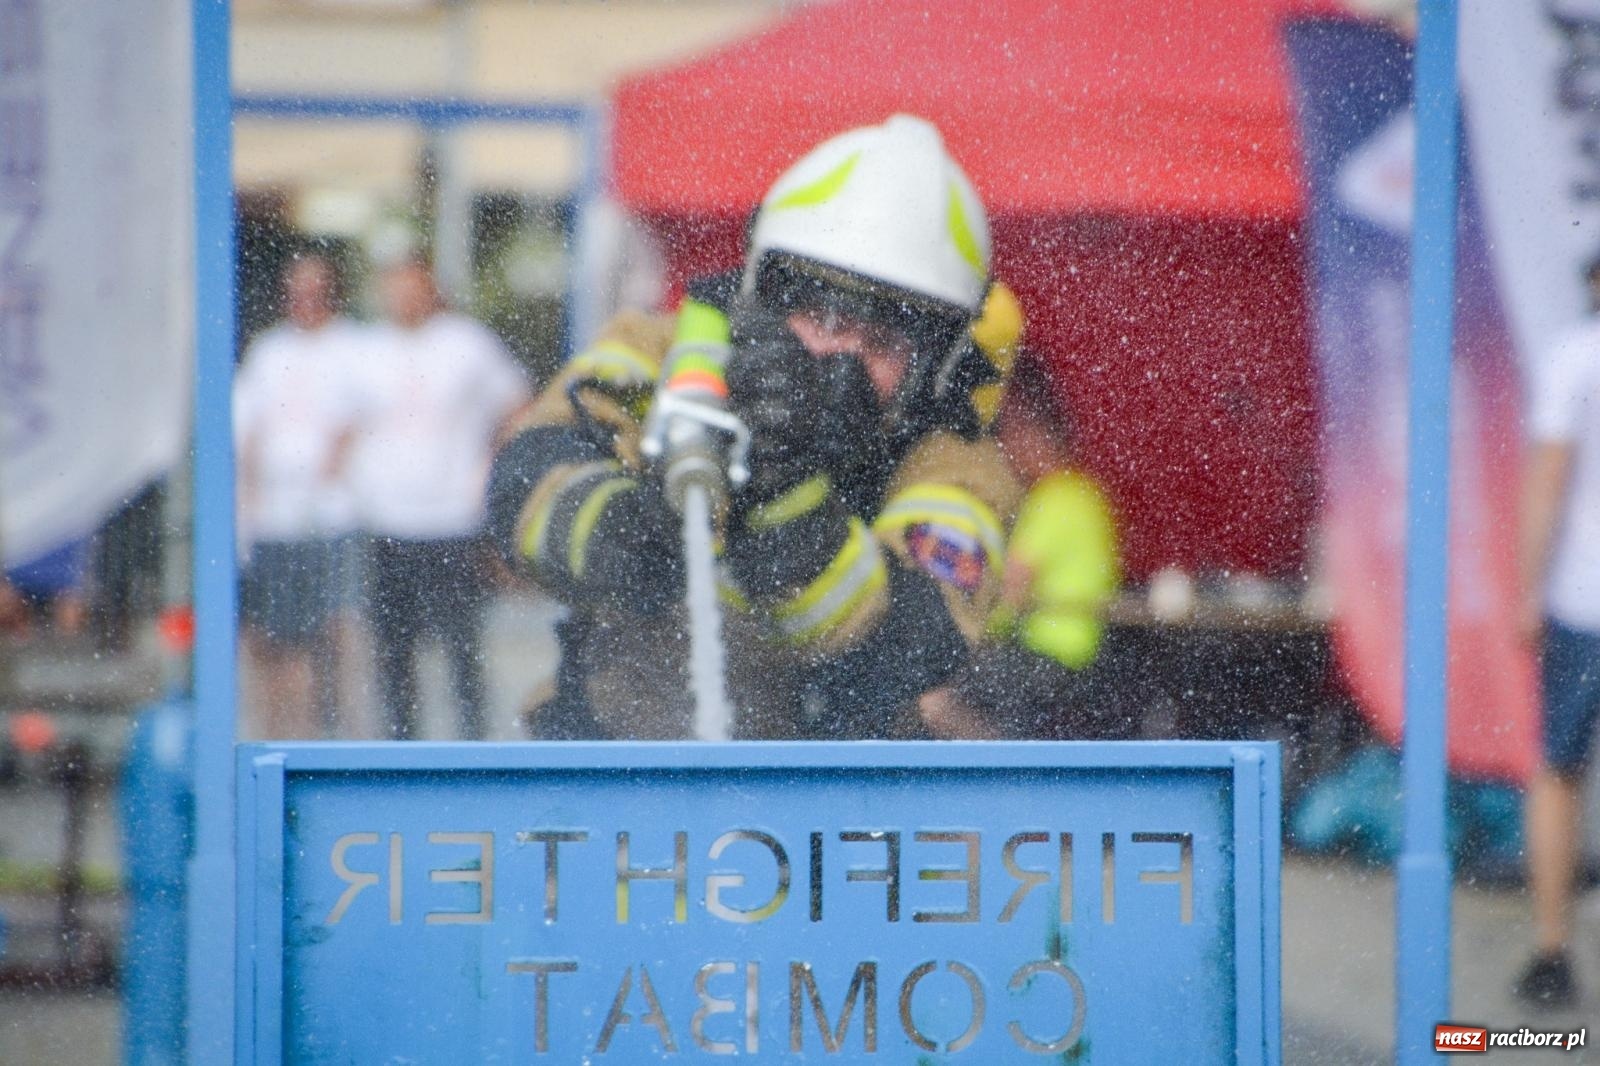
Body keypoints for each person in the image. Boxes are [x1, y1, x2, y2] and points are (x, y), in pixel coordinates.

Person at [488, 114, 1021, 740]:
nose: (834, 361)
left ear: (938, 362)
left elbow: (909, 646)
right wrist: (640, 526)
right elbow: (526, 483)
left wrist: (785, 499)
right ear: (764, 293)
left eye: (879, 342)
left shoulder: (955, 463)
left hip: (826, 805)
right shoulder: (662, 353)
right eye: (818, 318)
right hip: (608, 770)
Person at [348, 255, 530, 740]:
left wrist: (493, 473)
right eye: (394, 288)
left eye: (412, 287)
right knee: (393, 650)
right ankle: (399, 753)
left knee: (461, 647)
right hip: (387, 523)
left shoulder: (465, 344)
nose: (403, 298)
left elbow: (516, 406)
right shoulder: (366, 349)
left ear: (430, 288)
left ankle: (471, 753)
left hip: (451, 521)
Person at [919, 335, 1123, 740]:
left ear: (1026, 427)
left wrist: (970, 632)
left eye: (1004, 433)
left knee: (931, 695)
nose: (1002, 450)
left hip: (1047, 657)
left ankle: (1000, 769)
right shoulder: (1087, 496)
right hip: (1082, 660)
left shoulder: (1053, 498)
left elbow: (1011, 585)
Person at [1513, 257, 1600, 1009]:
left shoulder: (1576, 357)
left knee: (1559, 770)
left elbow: (1548, 481)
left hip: (1583, 596)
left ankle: (1551, 949)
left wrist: (1526, 592)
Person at [234, 252, 367, 739]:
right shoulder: (269, 351)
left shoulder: (354, 346)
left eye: (314, 288)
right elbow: (249, 429)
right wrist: (248, 500)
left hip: (332, 517)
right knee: (273, 640)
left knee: (335, 633)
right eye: (296, 289)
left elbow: (365, 417)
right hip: (276, 520)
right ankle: (286, 734)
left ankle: (342, 738)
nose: (304, 299)